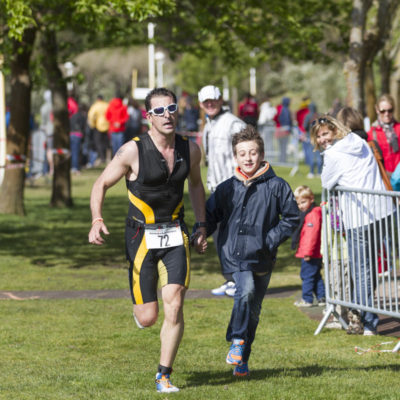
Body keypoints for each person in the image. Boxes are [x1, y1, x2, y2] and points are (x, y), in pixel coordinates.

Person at [88, 88, 207, 393]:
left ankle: (164, 375)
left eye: (171, 108)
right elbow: (101, 184)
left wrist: (201, 225)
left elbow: (195, 185)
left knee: (176, 303)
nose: (167, 115)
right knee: (149, 316)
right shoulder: (131, 151)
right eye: (158, 111)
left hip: (176, 234)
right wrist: (96, 220)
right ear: (148, 117)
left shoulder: (190, 150)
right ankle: (141, 309)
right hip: (140, 236)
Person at [205, 125, 299, 376]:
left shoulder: (277, 185)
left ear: (261, 154)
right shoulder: (226, 188)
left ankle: (242, 360)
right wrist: (199, 233)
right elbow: (209, 215)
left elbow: (291, 218)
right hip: (234, 255)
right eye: (242, 153)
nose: (248, 158)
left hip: (263, 257)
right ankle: (236, 340)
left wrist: (268, 241)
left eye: (253, 153)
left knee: (254, 312)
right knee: (244, 291)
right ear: (235, 157)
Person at [310, 115, 393, 335]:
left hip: (359, 216)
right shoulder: (359, 142)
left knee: (361, 270)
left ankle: (368, 321)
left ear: (335, 131)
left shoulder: (333, 154)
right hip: (381, 210)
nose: (322, 140)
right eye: (318, 136)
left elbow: (326, 182)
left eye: (325, 133)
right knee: (370, 268)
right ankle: (365, 315)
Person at [198, 84, 246, 297]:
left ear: (221, 99)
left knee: (234, 238)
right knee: (220, 237)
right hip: (217, 190)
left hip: (234, 189)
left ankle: (239, 280)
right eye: (206, 101)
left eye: (213, 100)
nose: (210, 104)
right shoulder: (209, 125)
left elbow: (249, 153)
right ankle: (230, 279)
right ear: (201, 104)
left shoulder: (233, 124)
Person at [292, 185, 325, 307]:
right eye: (298, 203)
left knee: (306, 276)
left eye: (303, 202)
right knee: (315, 275)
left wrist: (307, 252)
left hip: (310, 252)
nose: (301, 206)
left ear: (311, 199)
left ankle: (307, 299)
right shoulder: (312, 212)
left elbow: (311, 236)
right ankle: (322, 297)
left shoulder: (312, 214)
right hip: (315, 252)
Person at [367, 93, 400, 175]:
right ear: (377, 110)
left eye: (390, 110)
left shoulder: (398, 128)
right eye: (383, 111)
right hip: (383, 178)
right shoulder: (371, 133)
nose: (386, 114)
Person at [87, 95, 110, 165]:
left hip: (98, 126)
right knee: (105, 143)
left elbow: (91, 116)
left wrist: (92, 125)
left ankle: (102, 157)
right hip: (107, 126)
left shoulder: (95, 106)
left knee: (98, 142)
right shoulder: (107, 105)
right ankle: (106, 157)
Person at [303, 102, 322, 178]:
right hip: (318, 136)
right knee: (318, 155)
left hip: (310, 137)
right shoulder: (319, 115)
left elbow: (305, 126)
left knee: (311, 155)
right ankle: (319, 172)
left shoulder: (308, 116)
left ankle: (311, 172)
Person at [40, 90, 54, 176]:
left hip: (49, 132)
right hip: (57, 131)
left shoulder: (44, 108)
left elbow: (43, 123)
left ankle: (52, 168)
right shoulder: (56, 106)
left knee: (50, 150)